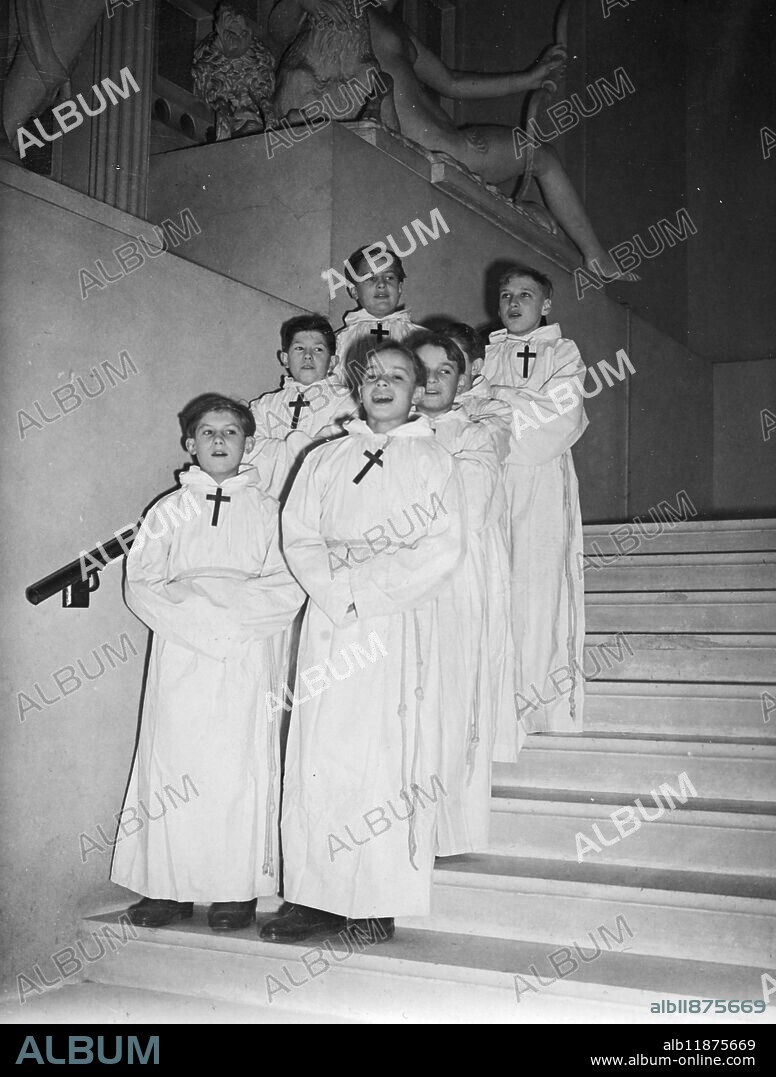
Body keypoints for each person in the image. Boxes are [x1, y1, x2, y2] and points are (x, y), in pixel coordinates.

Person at [260, 342, 464, 942]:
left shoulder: (434, 458)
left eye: (397, 376)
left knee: (383, 755)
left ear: (416, 390)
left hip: (393, 619)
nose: (382, 385)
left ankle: (375, 899)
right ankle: (313, 897)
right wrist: (336, 592)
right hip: (331, 618)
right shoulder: (325, 457)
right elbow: (299, 534)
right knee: (319, 754)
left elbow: (443, 546)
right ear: (357, 386)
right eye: (372, 375)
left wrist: (365, 593)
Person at [111, 394, 304, 932]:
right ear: (190, 444)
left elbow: (288, 582)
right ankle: (167, 888)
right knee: (173, 763)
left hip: (246, 649)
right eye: (208, 432)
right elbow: (141, 581)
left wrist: (227, 621)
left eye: (231, 432)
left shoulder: (270, 512)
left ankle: (233, 889)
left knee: (238, 764)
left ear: (249, 443)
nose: (219, 440)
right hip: (182, 650)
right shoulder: (168, 511)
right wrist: (198, 620)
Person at [269, 1, 635, 280]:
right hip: (430, 150)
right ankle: (593, 256)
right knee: (542, 158)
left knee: (543, 156)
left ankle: (594, 255)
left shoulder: (396, 27)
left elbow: (451, 82)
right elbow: (280, 25)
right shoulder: (344, 13)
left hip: (454, 142)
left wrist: (530, 79)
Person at [413, 331, 513, 849]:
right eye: (421, 370)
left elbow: (467, 507)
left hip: (454, 578)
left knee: (449, 695)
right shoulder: (381, 436)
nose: (431, 381)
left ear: (464, 379)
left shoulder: (475, 435)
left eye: (444, 371)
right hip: (396, 584)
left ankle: (447, 831)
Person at [482, 265, 587, 735]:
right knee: (495, 584)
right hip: (492, 477)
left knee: (538, 591)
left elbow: (562, 417)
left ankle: (538, 706)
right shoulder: (485, 354)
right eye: (506, 295)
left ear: (545, 305)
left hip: (542, 480)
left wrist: (498, 400)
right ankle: (498, 710)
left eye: (525, 295)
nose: (513, 303)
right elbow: (467, 408)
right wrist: (507, 405)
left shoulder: (563, 352)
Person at [247, 313, 356, 500]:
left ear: (332, 362)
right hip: (268, 502)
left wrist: (279, 450)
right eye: (299, 348)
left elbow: (336, 451)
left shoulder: (348, 400)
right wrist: (301, 451)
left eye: (318, 350)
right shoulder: (263, 405)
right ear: (285, 358)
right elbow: (248, 450)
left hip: (322, 499)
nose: (308, 356)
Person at [333, 246, 423, 390]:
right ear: (354, 291)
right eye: (371, 278)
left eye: (389, 277)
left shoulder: (421, 338)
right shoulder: (338, 341)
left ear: (399, 287)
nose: (381, 284)